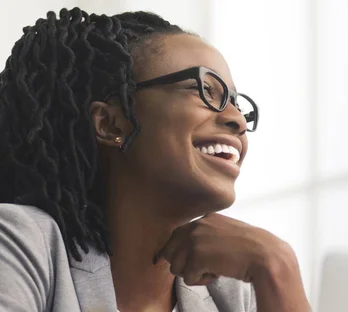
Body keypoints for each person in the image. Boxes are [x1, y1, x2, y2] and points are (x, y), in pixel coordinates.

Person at [0, 7, 310, 312]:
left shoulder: (231, 288)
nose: (237, 120)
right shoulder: (21, 242)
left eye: (235, 102)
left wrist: (277, 268)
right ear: (111, 124)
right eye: (202, 89)